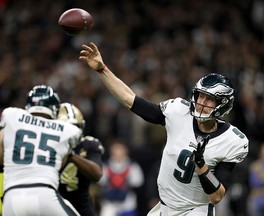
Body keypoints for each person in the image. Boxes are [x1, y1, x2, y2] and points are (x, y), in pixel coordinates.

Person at [79, 42, 249, 216]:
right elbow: (130, 99)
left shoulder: (232, 140)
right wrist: (102, 70)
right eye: (200, 96)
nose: (201, 103)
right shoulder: (178, 112)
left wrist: (201, 166)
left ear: (223, 105)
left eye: (209, 99)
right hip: (164, 207)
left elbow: (217, 196)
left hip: (195, 211)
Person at [0, 85, 82, 216]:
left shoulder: (12, 115)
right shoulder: (68, 130)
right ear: (55, 108)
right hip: (44, 192)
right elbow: (60, 163)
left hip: (11, 195)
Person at [58, 102, 105, 216]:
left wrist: (71, 155)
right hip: (53, 199)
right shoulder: (49, 144)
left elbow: (97, 174)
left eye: (74, 127)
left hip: (80, 202)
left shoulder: (88, 144)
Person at [99, 139, 144, 216]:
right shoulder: (105, 166)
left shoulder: (132, 166)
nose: (117, 152)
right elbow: (100, 181)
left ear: (126, 151)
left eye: (120, 149)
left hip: (127, 203)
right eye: (115, 149)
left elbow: (138, 182)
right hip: (109, 203)